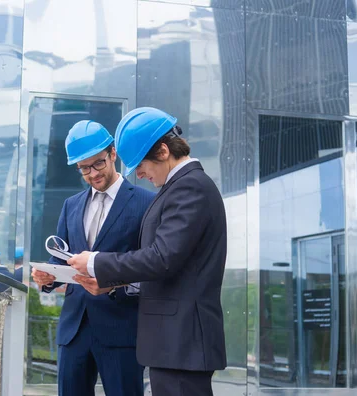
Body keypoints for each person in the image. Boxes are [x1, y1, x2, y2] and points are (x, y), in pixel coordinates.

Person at [69, 107, 227, 396]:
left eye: (140, 165)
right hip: (174, 344)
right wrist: (116, 283)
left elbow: (162, 258)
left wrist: (96, 261)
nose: (139, 174)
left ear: (163, 151)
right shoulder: (180, 187)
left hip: (182, 343)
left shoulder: (189, 187)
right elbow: (175, 265)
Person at [31, 120, 155, 396]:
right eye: (83, 168)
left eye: (97, 164)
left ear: (112, 153)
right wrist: (47, 278)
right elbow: (62, 260)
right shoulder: (71, 205)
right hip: (75, 329)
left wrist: (115, 282)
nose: (92, 174)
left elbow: (151, 265)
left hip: (121, 328)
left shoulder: (146, 203)